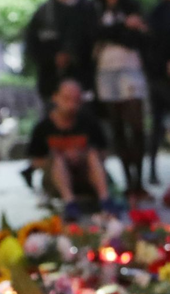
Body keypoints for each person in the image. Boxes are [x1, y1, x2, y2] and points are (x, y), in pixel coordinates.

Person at [28, 80, 118, 220]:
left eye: (76, 100)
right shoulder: (43, 127)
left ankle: (105, 200)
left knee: (92, 153)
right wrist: (63, 158)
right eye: (66, 98)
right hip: (55, 181)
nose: (71, 105)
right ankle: (70, 204)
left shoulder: (89, 123)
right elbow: (35, 161)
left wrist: (80, 156)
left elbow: (104, 154)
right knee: (57, 157)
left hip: (86, 176)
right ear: (55, 97)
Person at [94, 0, 149, 204]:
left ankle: (139, 181)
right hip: (105, 72)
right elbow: (95, 33)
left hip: (131, 70)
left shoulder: (133, 8)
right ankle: (128, 183)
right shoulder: (96, 9)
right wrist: (122, 27)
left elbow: (137, 39)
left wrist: (113, 32)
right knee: (117, 127)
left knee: (136, 127)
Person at [144, 0, 170, 185]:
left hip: (154, 75)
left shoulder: (156, 12)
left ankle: (152, 170)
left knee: (157, 124)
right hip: (166, 77)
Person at [25, 0, 98, 101]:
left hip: (83, 84)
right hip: (50, 85)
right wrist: (52, 58)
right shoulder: (44, 12)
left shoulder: (89, 9)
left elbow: (94, 42)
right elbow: (32, 46)